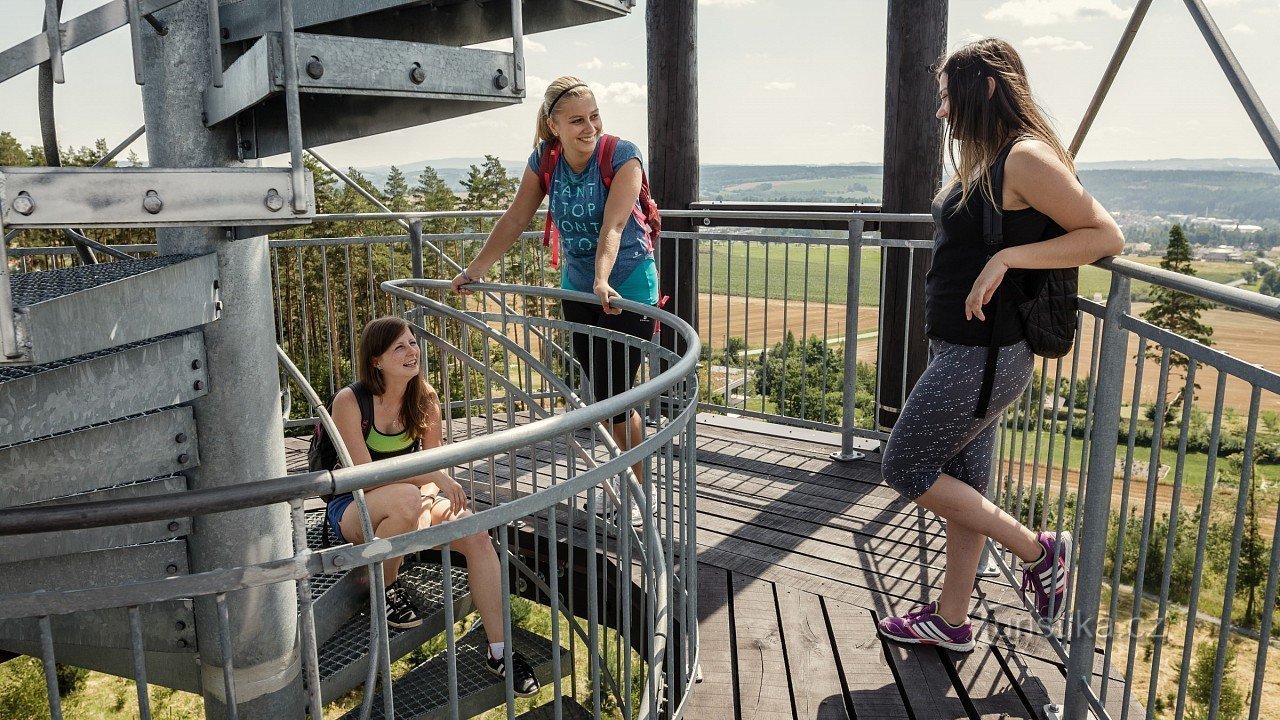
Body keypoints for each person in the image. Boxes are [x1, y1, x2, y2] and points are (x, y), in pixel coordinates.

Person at [876, 38, 1125, 652]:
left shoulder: (1023, 157)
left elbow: (1105, 235)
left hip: (981, 356)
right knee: (966, 485)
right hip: (965, 350)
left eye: (945, 97)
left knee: (904, 466)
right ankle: (952, 620)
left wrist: (1010, 256)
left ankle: (1038, 552)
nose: (940, 113)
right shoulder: (989, 158)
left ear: (984, 88)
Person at [451, 75, 658, 526]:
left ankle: (641, 493)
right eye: (578, 120)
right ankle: (628, 481)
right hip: (578, 288)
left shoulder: (622, 156)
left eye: (595, 116)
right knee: (602, 395)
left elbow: (615, 228)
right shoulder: (545, 161)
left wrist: (603, 280)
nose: (590, 127)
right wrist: (475, 271)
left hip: (628, 287)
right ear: (553, 125)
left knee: (615, 397)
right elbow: (515, 219)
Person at [326, 316, 540, 695]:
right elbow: (365, 477)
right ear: (376, 360)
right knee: (409, 502)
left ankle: (499, 651)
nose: (412, 352)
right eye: (400, 347)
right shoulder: (351, 401)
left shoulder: (424, 397)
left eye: (413, 343)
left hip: (412, 497)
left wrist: (431, 480)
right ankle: (387, 586)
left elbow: (431, 468)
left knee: (476, 532)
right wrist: (432, 479)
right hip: (354, 505)